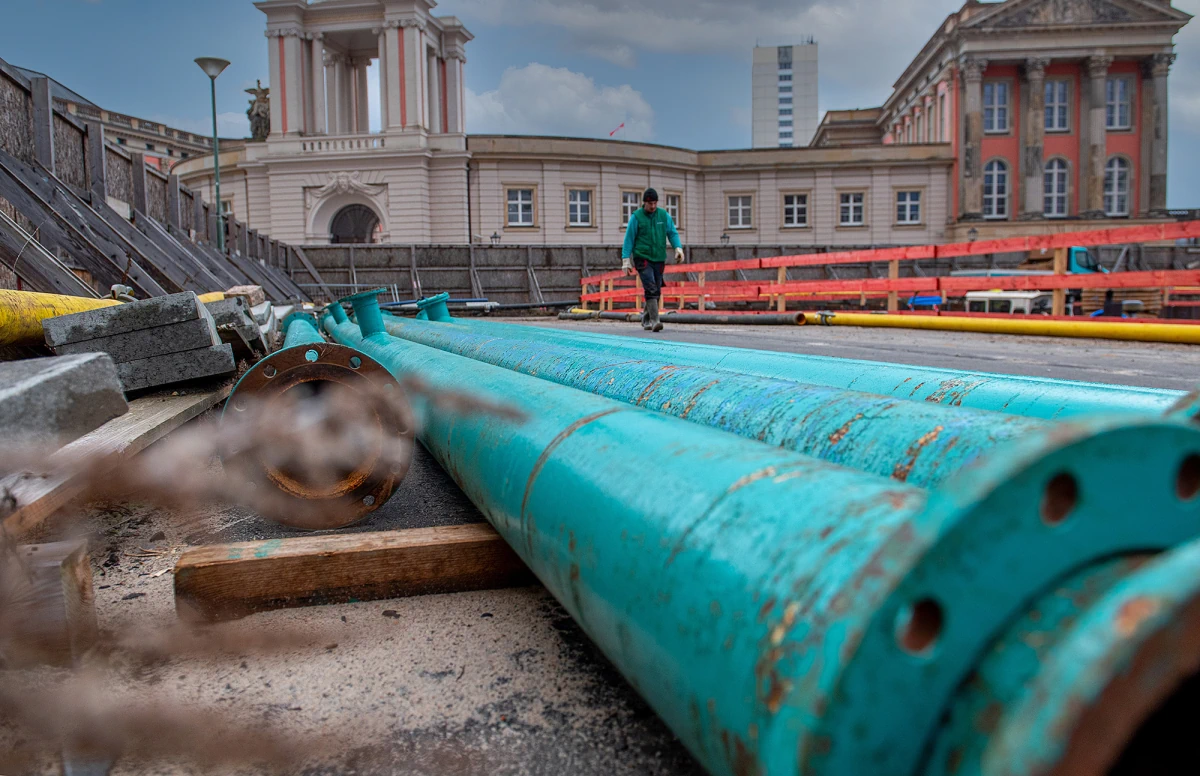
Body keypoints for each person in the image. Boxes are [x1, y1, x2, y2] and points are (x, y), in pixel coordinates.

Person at [621, 188, 683, 332]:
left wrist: (677, 248)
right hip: (642, 257)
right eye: (650, 204)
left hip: (659, 257)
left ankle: (646, 318)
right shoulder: (636, 217)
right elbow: (629, 238)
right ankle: (656, 320)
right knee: (650, 287)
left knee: (656, 289)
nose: (653, 206)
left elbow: (672, 233)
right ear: (645, 203)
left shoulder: (663, 216)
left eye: (655, 203)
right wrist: (626, 259)